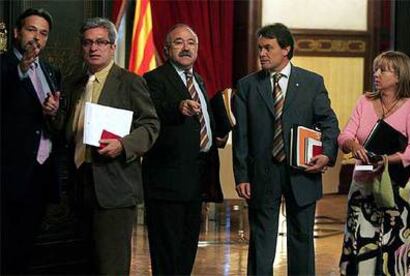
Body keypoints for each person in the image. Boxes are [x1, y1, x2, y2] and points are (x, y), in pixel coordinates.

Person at [232, 23, 339, 275]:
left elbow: (329, 123)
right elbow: (241, 135)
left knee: (301, 237)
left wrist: (326, 153)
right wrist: (242, 175)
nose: (262, 54)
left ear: (286, 49)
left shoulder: (312, 82)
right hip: (263, 173)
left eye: (268, 48)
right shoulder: (247, 86)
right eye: (260, 48)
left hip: (302, 171)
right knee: (261, 240)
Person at [63, 17, 159, 275]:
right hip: (79, 185)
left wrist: (123, 145)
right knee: (85, 264)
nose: (93, 48)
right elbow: (65, 131)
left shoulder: (129, 81)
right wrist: (52, 113)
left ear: (112, 46)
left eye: (100, 42)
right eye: (87, 43)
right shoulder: (74, 84)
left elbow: (150, 125)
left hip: (114, 186)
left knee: (111, 267)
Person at [142, 23, 226, 275]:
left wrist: (215, 135)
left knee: (187, 248)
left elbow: (202, 122)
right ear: (167, 49)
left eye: (191, 42)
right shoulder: (153, 79)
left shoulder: (198, 79)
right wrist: (178, 108)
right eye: (179, 42)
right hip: (166, 183)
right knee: (167, 252)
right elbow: (152, 114)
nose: (186, 47)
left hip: (196, 180)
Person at [338, 51, 410, 275]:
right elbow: (345, 135)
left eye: (383, 70)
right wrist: (353, 145)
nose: (376, 74)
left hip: (397, 189)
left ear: (399, 76)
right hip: (362, 187)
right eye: (376, 69)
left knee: (395, 250)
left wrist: (385, 161)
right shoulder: (364, 101)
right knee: (360, 249)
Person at [1, 8, 62, 274]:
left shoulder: (50, 70)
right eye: (31, 30)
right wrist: (21, 69)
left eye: (43, 33)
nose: (37, 37)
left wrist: (53, 112)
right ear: (17, 32)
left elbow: (50, 120)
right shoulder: (4, 65)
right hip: (8, 173)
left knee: (26, 245)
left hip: (40, 173)